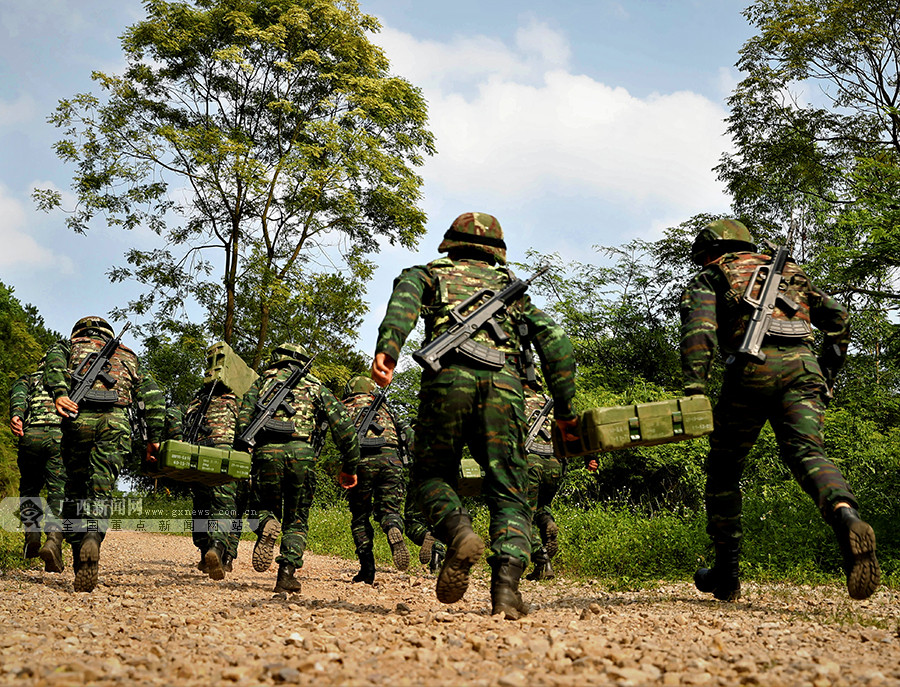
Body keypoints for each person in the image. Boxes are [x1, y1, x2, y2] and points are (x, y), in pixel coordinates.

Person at [371, 212, 577, 619]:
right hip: (504, 389)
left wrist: (387, 348)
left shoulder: (428, 274)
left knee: (432, 474)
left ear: (450, 243)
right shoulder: (510, 291)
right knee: (508, 489)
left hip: (446, 382)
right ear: (496, 249)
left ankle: (459, 531)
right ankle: (505, 590)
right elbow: (555, 342)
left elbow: (404, 301)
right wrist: (566, 409)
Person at [681, 219, 880, 602]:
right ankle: (846, 516)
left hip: (750, 371)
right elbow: (839, 319)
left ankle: (728, 576)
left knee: (724, 471)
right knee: (809, 453)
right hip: (804, 371)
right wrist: (828, 374)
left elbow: (700, 330)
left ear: (712, 252)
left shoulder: (712, 276)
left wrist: (695, 388)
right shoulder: (791, 272)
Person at [43, 316, 165, 593]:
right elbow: (154, 396)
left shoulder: (67, 347)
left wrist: (60, 393)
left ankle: (74, 554)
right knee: (101, 487)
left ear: (79, 331)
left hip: (77, 420)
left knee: (75, 490)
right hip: (116, 423)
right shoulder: (128, 356)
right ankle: (92, 536)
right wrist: (154, 439)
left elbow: (51, 366)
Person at [237, 343, 359, 594]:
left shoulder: (260, 384)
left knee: (260, 508)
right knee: (296, 519)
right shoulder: (316, 387)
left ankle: (265, 523)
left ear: (276, 359)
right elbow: (345, 429)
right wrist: (350, 465)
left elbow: (242, 421)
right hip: (302, 455)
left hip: (266, 454)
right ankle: (286, 574)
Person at [341, 375, 409, 584]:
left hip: (361, 461)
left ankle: (367, 570)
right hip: (391, 459)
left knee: (360, 516)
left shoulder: (344, 406)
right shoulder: (386, 408)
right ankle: (393, 528)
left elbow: (339, 434)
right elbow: (407, 431)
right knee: (389, 510)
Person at [180, 381, 246, 581]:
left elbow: (184, 422)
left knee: (202, 503)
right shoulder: (237, 402)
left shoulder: (197, 402)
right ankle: (219, 550)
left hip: (199, 454)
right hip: (226, 457)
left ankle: (204, 553)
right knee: (226, 505)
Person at [9, 360, 67, 572]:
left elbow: (18, 396)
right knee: (57, 491)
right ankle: (52, 540)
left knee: (30, 488)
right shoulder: (66, 379)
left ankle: (32, 534)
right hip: (59, 437)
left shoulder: (28, 378)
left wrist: (16, 415)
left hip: (30, 435)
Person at [521, 377, 564, 581]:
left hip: (530, 463)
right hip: (555, 463)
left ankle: (542, 558)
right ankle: (548, 524)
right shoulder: (552, 402)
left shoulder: (515, 401)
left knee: (523, 513)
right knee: (542, 507)